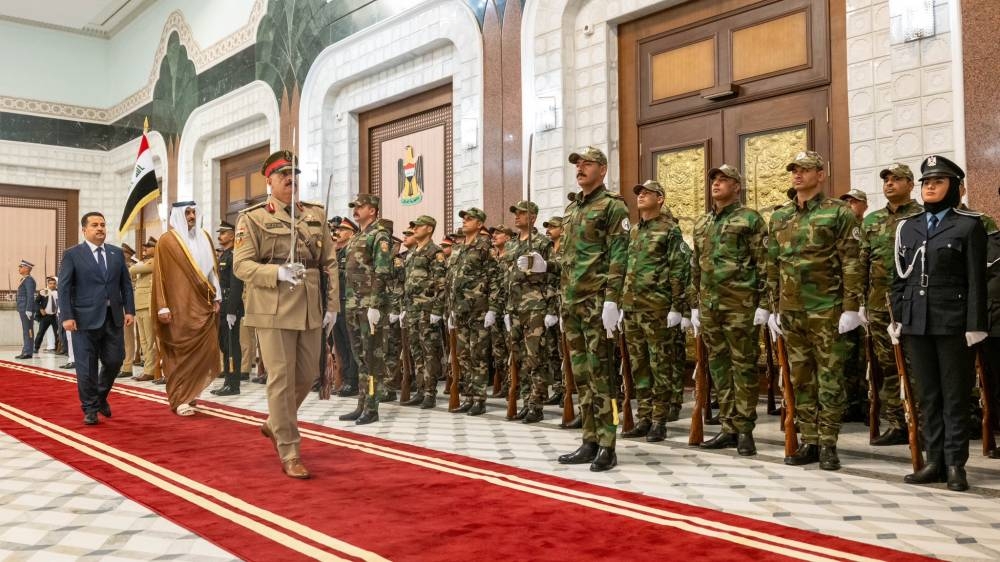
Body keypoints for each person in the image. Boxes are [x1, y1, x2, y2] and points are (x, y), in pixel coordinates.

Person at [233, 150, 339, 479]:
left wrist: (333, 305)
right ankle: (290, 449)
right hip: (273, 305)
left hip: (309, 304)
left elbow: (329, 263)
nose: (291, 180)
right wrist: (276, 273)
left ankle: (274, 422)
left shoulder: (315, 215)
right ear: (269, 181)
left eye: (295, 174)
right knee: (281, 379)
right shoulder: (253, 217)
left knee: (307, 375)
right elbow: (241, 265)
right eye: (283, 175)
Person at [890, 154, 987, 492]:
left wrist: (976, 324)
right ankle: (934, 461)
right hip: (917, 322)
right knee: (929, 395)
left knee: (955, 395)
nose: (930, 186)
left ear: (954, 188)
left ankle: (956, 464)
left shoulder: (969, 224)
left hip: (953, 322)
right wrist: (899, 317)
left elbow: (977, 279)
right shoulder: (909, 226)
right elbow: (899, 277)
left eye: (938, 182)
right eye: (926, 182)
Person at [766, 151, 862, 471]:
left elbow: (851, 260)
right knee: (801, 377)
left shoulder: (838, 213)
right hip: (791, 310)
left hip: (827, 308)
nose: (797, 175)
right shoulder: (779, 216)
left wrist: (851, 307)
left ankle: (829, 442)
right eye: (794, 170)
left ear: (821, 175)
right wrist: (772, 307)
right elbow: (772, 265)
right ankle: (809, 439)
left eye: (804, 170)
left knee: (830, 377)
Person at [557, 146, 629, 472]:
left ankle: (608, 443)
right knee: (582, 376)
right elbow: (570, 260)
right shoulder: (572, 209)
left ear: (602, 169)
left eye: (587, 163)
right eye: (577, 164)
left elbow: (619, 254)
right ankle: (589, 439)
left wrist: (613, 299)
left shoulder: (613, 207)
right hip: (572, 303)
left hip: (597, 303)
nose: (580, 168)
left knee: (604, 378)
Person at [691, 166, 769, 454]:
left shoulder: (750, 219)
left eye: (724, 180)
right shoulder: (702, 223)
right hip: (711, 307)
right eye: (714, 179)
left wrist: (764, 305)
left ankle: (745, 429)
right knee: (719, 367)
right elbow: (695, 266)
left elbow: (763, 264)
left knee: (743, 367)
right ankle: (728, 427)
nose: (717, 184)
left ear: (737, 186)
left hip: (741, 306)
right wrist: (694, 304)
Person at [859, 164, 923, 445]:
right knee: (886, 366)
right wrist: (859, 303)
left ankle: (921, 424)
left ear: (910, 184)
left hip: (913, 304)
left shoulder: (923, 216)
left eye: (896, 179)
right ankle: (897, 423)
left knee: (917, 365)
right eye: (886, 179)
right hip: (879, 304)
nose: (889, 183)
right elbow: (861, 263)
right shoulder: (871, 221)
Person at [57, 212, 135, 425]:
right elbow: (63, 288)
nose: (100, 228)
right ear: (84, 230)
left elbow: (125, 285)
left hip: (113, 318)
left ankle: (100, 396)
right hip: (83, 320)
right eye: (94, 225)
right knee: (86, 366)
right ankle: (90, 408)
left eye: (102, 224)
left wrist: (130, 310)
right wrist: (67, 316)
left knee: (115, 360)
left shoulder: (116, 254)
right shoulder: (72, 254)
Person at [152, 201, 222, 415]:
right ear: (178, 216)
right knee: (179, 353)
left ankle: (191, 394)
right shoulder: (167, 241)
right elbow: (159, 276)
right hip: (177, 306)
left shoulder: (205, 237)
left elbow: (212, 271)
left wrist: (217, 297)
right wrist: (162, 307)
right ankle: (179, 398)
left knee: (204, 351)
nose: (191, 216)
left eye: (194, 212)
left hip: (203, 304)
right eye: (187, 213)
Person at [338, 194, 392, 425]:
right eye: (355, 207)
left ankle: (372, 407)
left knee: (372, 357)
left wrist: (375, 305)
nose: (356, 210)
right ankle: (361, 403)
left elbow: (382, 271)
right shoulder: (357, 236)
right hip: (353, 304)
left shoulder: (379, 235)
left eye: (360, 207)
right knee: (359, 357)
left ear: (373, 210)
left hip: (369, 305)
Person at [503, 201, 558, 423]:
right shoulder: (511, 245)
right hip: (515, 307)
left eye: (522, 213)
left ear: (533, 217)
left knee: (536, 357)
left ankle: (536, 403)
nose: (517, 217)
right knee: (519, 357)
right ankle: (526, 400)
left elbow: (553, 276)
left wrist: (552, 309)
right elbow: (506, 278)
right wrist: (505, 308)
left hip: (536, 306)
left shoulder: (542, 243)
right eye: (515, 213)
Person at [446, 207, 499, 416]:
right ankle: (468, 396)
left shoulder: (485, 246)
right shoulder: (458, 248)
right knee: (463, 355)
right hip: (460, 310)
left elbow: (495, 278)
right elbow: (451, 280)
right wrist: (449, 310)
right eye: (464, 219)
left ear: (479, 224)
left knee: (478, 355)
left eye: (469, 219)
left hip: (478, 308)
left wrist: (493, 309)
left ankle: (479, 398)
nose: (465, 221)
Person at [400, 215, 446, 408]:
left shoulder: (435, 252)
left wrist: (437, 309)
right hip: (412, 310)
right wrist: (403, 308)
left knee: (429, 352)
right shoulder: (411, 254)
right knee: (416, 351)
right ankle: (420, 389)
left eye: (418, 227)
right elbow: (406, 284)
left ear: (429, 229)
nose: (415, 229)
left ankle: (430, 392)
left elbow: (441, 283)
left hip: (427, 310)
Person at [839, 189, 870, 423]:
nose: (849, 204)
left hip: (869, 300)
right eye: (846, 201)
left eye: (854, 201)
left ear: (864, 205)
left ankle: (870, 403)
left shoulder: (870, 226)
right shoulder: (839, 230)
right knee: (847, 355)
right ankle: (850, 403)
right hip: (846, 301)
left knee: (869, 356)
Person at [212, 221, 245, 396]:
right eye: (220, 233)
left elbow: (236, 284)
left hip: (231, 304)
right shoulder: (224, 255)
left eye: (224, 233)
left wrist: (232, 310)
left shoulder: (234, 255)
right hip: (223, 303)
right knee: (225, 344)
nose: (220, 236)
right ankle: (227, 380)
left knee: (232, 345)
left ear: (232, 235)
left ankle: (233, 384)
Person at [333, 217, 360, 396]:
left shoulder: (352, 252)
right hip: (336, 303)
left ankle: (353, 381)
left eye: (343, 230)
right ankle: (344, 378)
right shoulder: (337, 253)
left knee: (352, 344)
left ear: (351, 234)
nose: (338, 233)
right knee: (341, 344)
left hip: (348, 302)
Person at [130, 237, 160, 382]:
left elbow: (134, 269)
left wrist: (135, 265)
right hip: (140, 305)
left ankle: (151, 370)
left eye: (148, 247)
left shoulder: (155, 261)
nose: (145, 249)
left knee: (150, 340)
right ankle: (148, 369)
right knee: (143, 340)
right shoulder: (146, 261)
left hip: (148, 305)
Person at [15, 260, 37, 359]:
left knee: (28, 330)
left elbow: (30, 295)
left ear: (27, 268)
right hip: (22, 308)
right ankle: (25, 350)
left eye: (21, 266)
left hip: (26, 309)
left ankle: (28, 352)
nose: (19, 268)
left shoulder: (29, 280)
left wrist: (28, 309)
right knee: (25, 330)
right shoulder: (23, 279)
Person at [33, 276, 60, 354]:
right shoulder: (43, 291)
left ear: (56, 284)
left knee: (57, 333)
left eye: (54, 284)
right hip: (45, 316)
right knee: (41, 332)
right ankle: (36, 348)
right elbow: (36, 302)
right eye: (50, 283)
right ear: (48, 284)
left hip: (55, 316)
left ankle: (57, 348)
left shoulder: (59, 292)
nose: (52, 285)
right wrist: (41, 309)